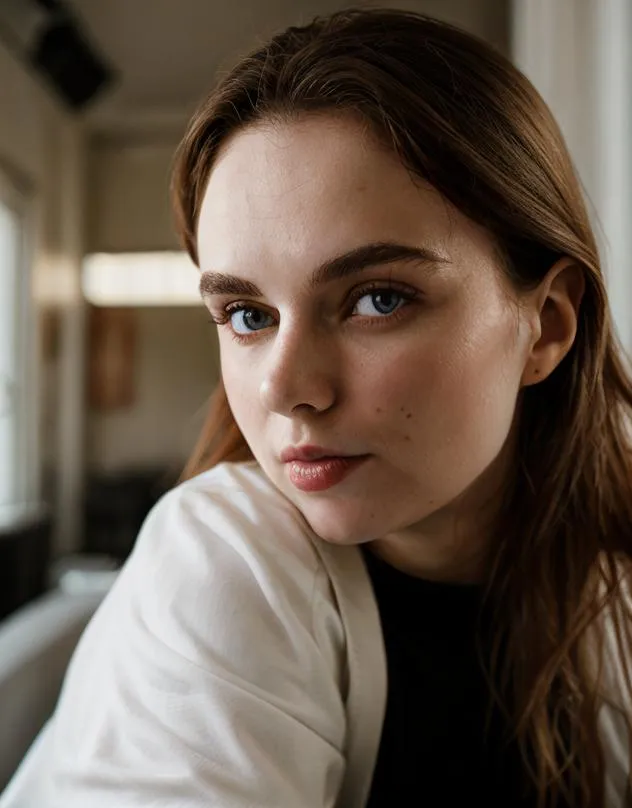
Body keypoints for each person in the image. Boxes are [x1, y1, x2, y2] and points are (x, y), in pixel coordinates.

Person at [2, 7, 631, 808]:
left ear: (546, 326)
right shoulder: (221, 564)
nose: (283, 387)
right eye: (247, 315)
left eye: (377, 299)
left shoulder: (608, 594)